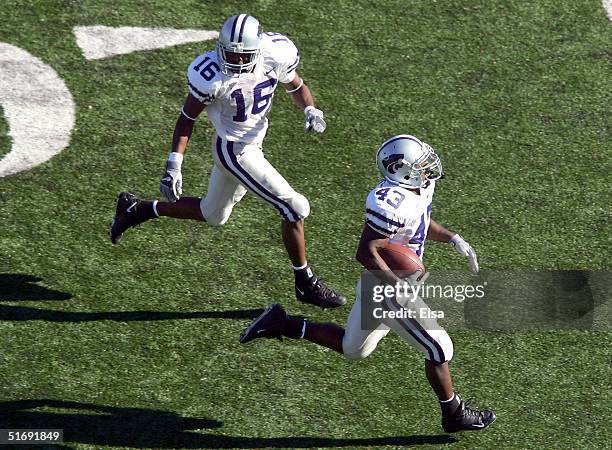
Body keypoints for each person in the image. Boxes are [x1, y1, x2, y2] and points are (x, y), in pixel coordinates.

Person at [239, 134, 496, 433]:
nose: (428, 165)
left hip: (385, 284)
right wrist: (395, 286)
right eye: (421, 162)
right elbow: (367, 250)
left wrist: (452, 238)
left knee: (354, 349)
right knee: (440, 349)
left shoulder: (419, 186)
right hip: (388, 286)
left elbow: (418, 225)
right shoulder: (389, 202)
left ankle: (283, 323)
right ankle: (454, 414)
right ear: (402, 170)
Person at [109, 14, 345, 309]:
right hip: (235, 150)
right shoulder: (211, 74)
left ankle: (138, 208)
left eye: (240, 54)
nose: (233, 59)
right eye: (228, 51)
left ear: (257, 49)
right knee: (295, 207)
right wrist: (174, 164)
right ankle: (305, 282)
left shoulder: (275, 52)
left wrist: (311, 109)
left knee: (214, 214)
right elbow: (187, 117)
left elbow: (296, 85)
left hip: (252, 143)